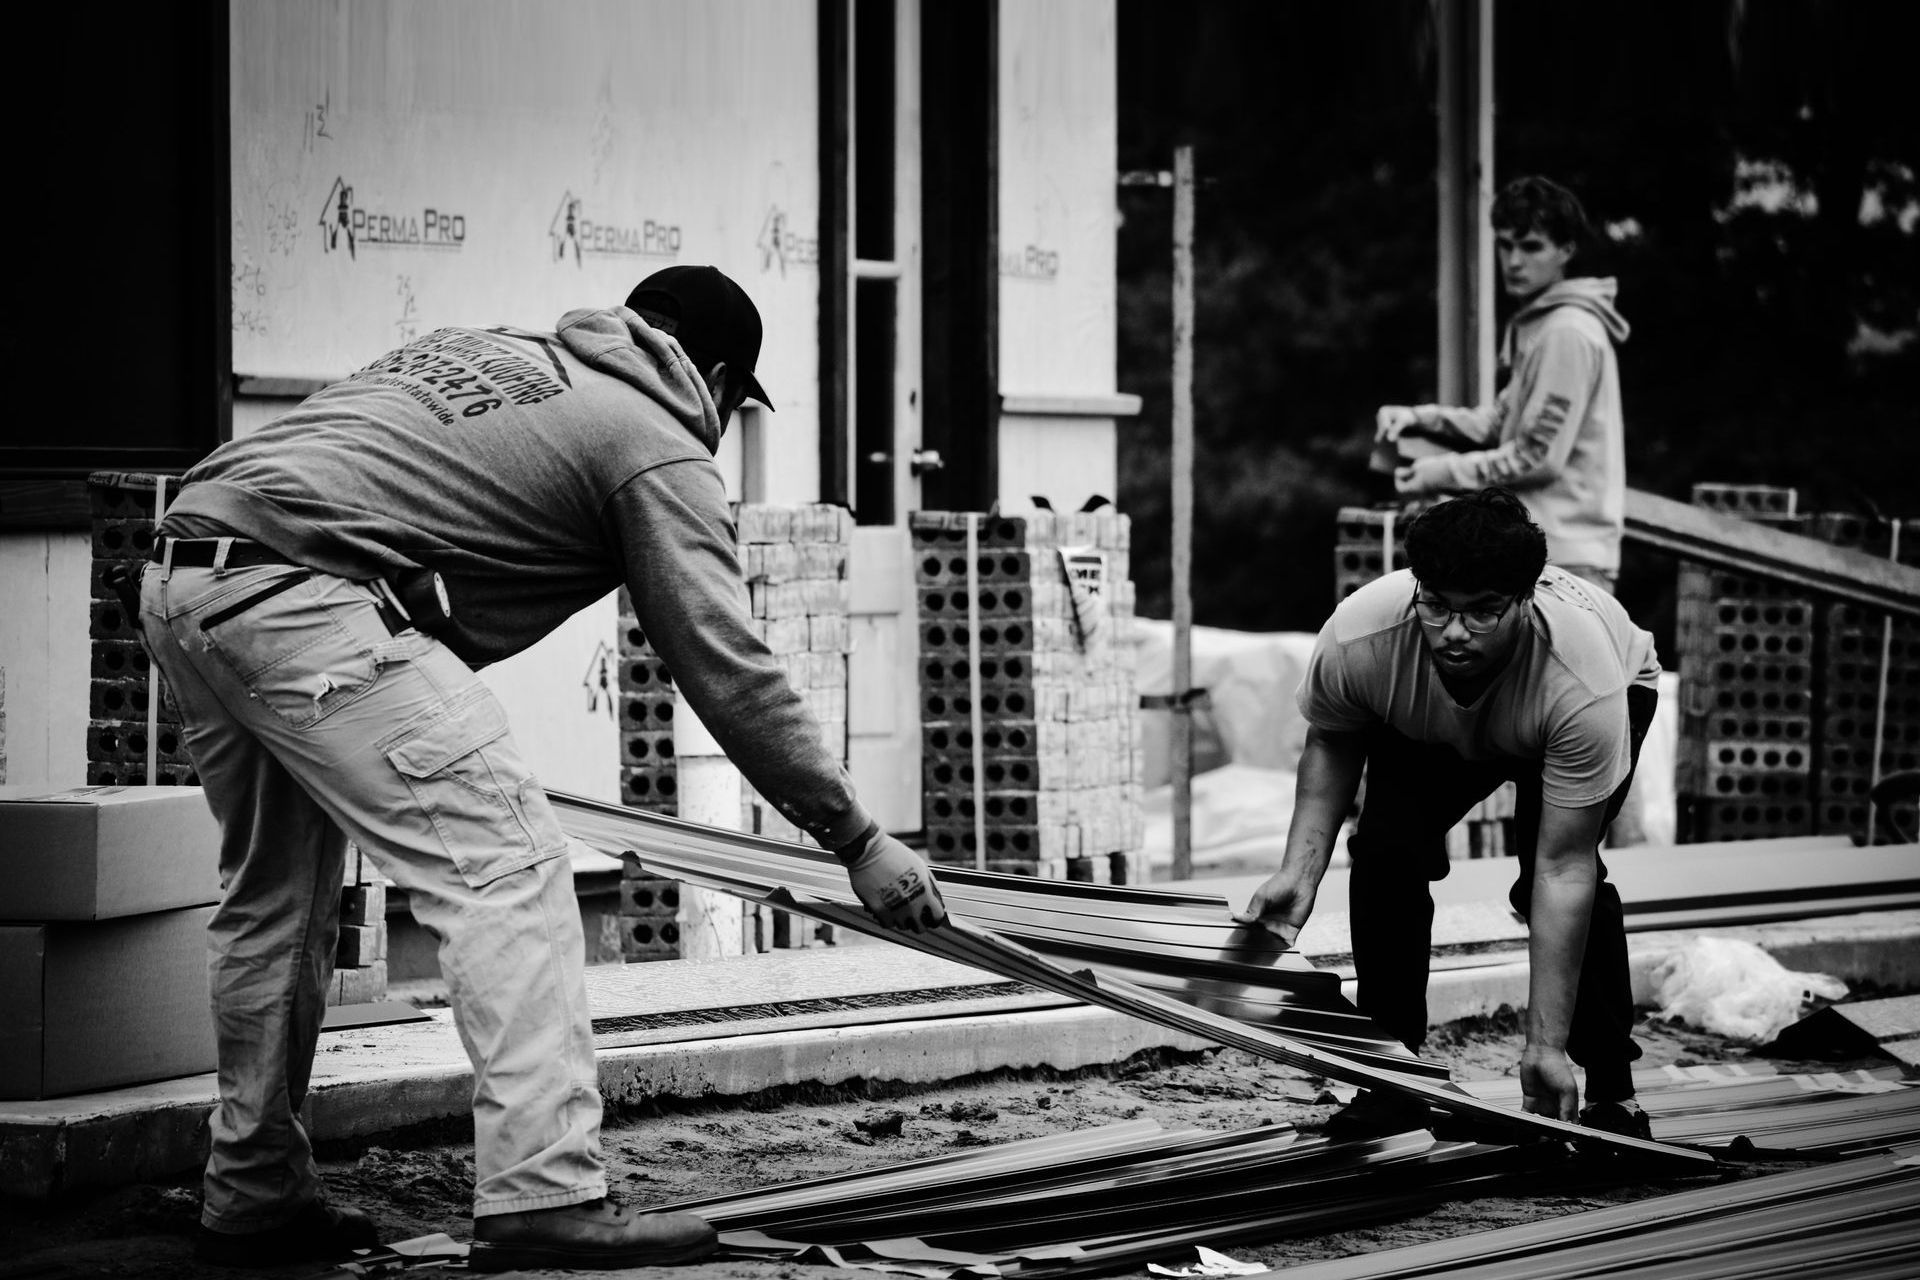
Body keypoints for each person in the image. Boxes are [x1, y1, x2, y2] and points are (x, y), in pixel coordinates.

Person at [134, 265, 948, 1271]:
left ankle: (253, 1190)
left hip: (184, 573)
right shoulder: (652, 438)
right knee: (508, 870)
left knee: (273, 902)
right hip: (305, 594)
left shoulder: (502, 352)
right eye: (733, 409)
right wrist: (856, 837)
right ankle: (543, 1197)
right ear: (721, 378)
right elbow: (728, 666)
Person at [1237, 488, 1659, 1141]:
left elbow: (1562, 869)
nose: (1455, 631)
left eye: (1483, 612)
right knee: (1385, 851)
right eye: (1437, 605)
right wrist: (1300, 870)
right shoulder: (1365, 633)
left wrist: (1540, 1045)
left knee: (1553, 883)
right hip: (1437, 719)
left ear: (1525, 600)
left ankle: (1610, 1087)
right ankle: (1394, 1078)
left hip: (1590, 699)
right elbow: (1334, 735)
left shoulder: (1584, 684)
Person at [1376, 176, 1630, 594]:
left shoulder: (1567, 333)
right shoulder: (1545, 325)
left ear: (1566, 251)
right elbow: (1499, 421)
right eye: (1506, 244)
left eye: (1531, 247)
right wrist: (1418, 419)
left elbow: (1536, 456)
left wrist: (1442, 471)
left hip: (1566, 560)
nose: (1514, 261)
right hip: (1541, 551)